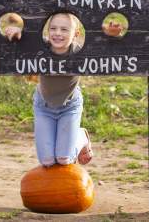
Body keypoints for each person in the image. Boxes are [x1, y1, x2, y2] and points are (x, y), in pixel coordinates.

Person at [5, 12, 93, 166]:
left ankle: (81, 136)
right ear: (47, 31)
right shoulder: (42, 46)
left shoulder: (79, 51)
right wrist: (19, 34)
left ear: (76, 34)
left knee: (64, 159)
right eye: (53, 28)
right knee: (47, 161)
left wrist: (111, 35)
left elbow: (102, 51)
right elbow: (25, 41)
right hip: (43, 106)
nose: (58, 33)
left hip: (70, 105)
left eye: (64, 30)